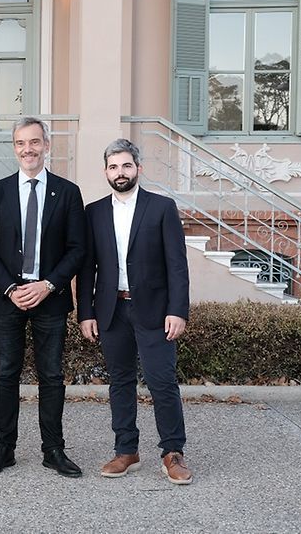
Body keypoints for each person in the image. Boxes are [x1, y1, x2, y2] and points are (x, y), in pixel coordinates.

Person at [77, 139, 192, 485]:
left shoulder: (161, 208)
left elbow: (177, 266)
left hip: (155, 312)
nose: (120, 172)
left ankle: (172, 452)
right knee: (120, 382)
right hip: (111, 310)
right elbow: (87, 268)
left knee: (162, 381)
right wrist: (86, 312)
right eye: (113, 167)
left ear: (138, 169)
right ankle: (126, 450)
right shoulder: (94, 212)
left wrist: (178, 310)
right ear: (106, 172)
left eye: (126, 166)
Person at [0, 116, 86, 477]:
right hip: (8, 297)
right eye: (22, 143)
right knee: (6, 373)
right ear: (14, 148)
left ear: (47, 145)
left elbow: (76, 249)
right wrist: (10, 288)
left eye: (35, 142)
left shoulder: (68, 192)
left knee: (51, 375)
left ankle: (53, 449)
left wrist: (48, 285)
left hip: (49, 297)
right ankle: (3, 448)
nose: (29, 149)